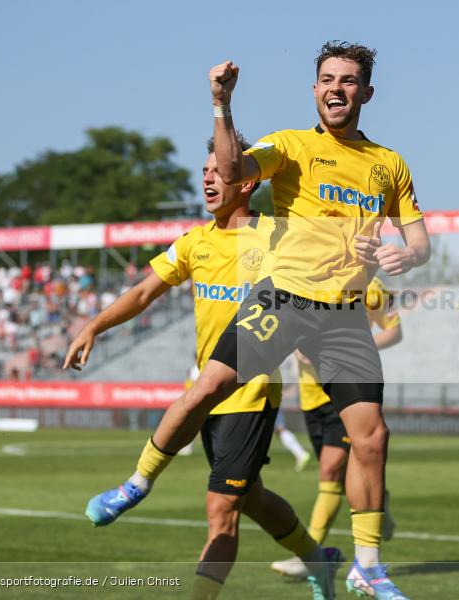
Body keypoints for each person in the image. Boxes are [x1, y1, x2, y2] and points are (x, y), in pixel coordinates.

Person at [83, 41, 430, 600]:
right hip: (285, 299)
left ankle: (367, 566)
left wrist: (406, 256)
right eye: (327, 79)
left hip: (343, 316)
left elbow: (419, 241)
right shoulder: (290, 145)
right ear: (314, 90)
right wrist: (221, 105)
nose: (336, 89)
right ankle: (137, 482)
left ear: (366, 92)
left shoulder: (389, 164)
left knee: (373, 437)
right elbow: (232, 169)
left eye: (347, 80)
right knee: (208, 387)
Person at [65, 136, 341, 599]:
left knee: (221, 512)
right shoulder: (196, 241)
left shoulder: (277, 237)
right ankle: (318, 561)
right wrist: (94, 326)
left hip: (250, 392)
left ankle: (137, 487)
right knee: (252, 499)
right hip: (207, 395)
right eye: (205, 171)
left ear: (246, 180)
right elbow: (143, 293)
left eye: (219, 171)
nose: (208, 178)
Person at [272, 276, 402, 580]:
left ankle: (310, 556)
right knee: (342, 477)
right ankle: (379, 503)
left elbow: (394, 331)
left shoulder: (370, 284)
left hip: (346, 388)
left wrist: (350, 349)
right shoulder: (301, 276)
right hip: (309, 395)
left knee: (330, 470)